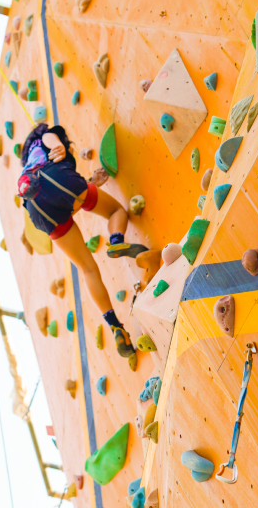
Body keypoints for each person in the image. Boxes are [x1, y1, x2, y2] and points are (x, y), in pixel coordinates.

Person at [18, 123, 158, 359]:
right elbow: (55, 149)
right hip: (57, 179)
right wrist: (59, 146)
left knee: (87, 269)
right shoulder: (44, 137)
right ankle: (116, 240)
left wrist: (89, 183)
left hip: (37, 211)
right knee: (116, 212)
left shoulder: (28, 167)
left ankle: (114, 326)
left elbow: (62, 206)